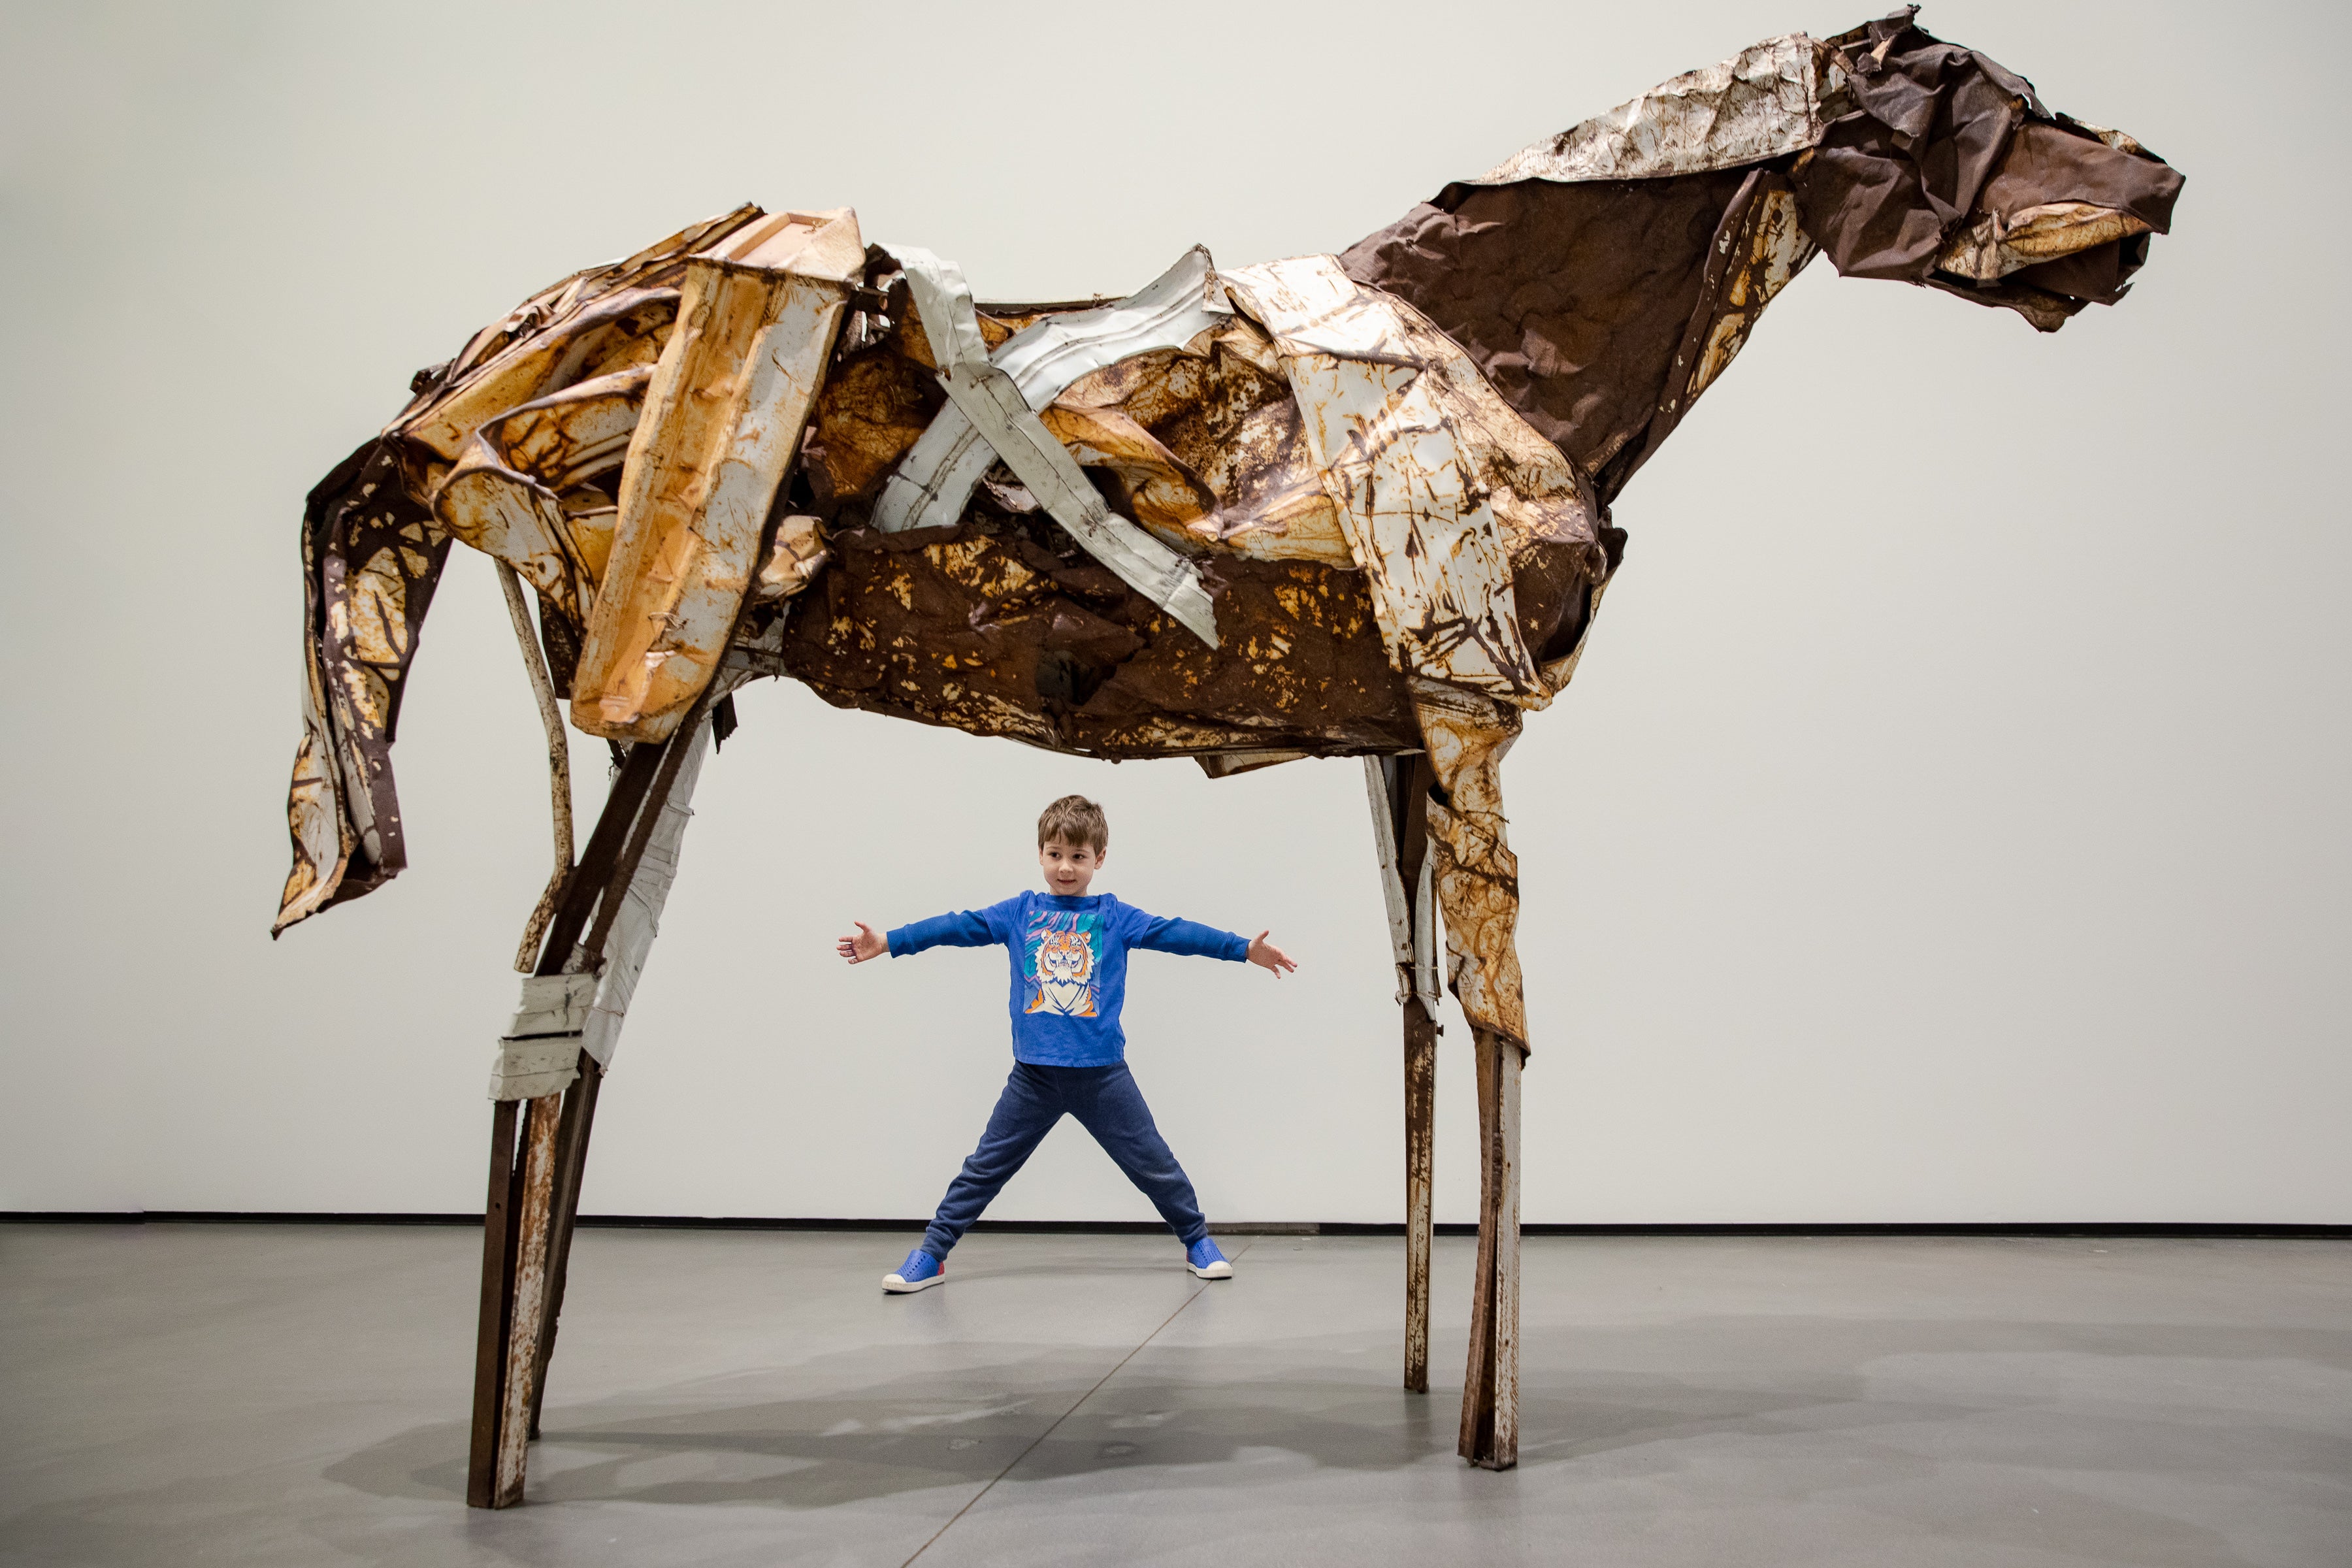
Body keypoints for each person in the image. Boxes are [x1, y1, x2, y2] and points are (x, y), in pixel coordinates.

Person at [837, 793, 1296, 1292]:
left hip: (1102, 1076)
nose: (1065, 867)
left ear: (1099, 859)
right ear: (1040, 855)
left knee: (1154, 1164)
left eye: (1078, 857)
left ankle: (1197, 1240)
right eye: (1055, 854)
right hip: (1034, 1077)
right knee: (983, 1170)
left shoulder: (1115, 916)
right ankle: (931, 1253)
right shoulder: (1019, 912)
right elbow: (957, 925)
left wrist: (1241, 950)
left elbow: (1176, 933)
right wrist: (889, 941)